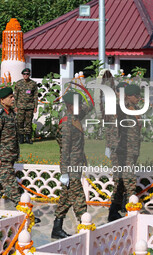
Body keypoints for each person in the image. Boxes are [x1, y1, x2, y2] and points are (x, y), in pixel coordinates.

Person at [52, 92, 93, 239]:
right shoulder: (67, 123)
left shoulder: (75, 118)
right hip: (70, 168)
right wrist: (64, 172)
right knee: (79, 198)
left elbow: (90, 106)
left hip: (77, 165)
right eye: (77, 104)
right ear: (69, 106)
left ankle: (56, 228)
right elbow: (64, 150)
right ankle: (86, 226)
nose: (80, 106)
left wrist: (87, 90)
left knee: (66, 197)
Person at [108, 84, 141, 222]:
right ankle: (131, 213)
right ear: (128, 96)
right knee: (129, 181)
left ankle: (114, 212)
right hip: (122, 151)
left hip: (132, 149)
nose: (139, 98)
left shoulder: (136, 108)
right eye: (136, 96)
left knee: (122, 182)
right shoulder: (121, 107)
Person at [14, 68, 38, 144]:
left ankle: (28, 138)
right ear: (22, 75)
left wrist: (35, 106)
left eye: (27, 74)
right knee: (20, 122)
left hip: (30, 107)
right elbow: (15, 96)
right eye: (24, 74)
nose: (26, 75)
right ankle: (21, 138)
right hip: (20, 106)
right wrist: (15, 106)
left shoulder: (33, 84)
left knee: (28, 122)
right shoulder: (18, 83)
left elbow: (35, 96)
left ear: (29, 74)